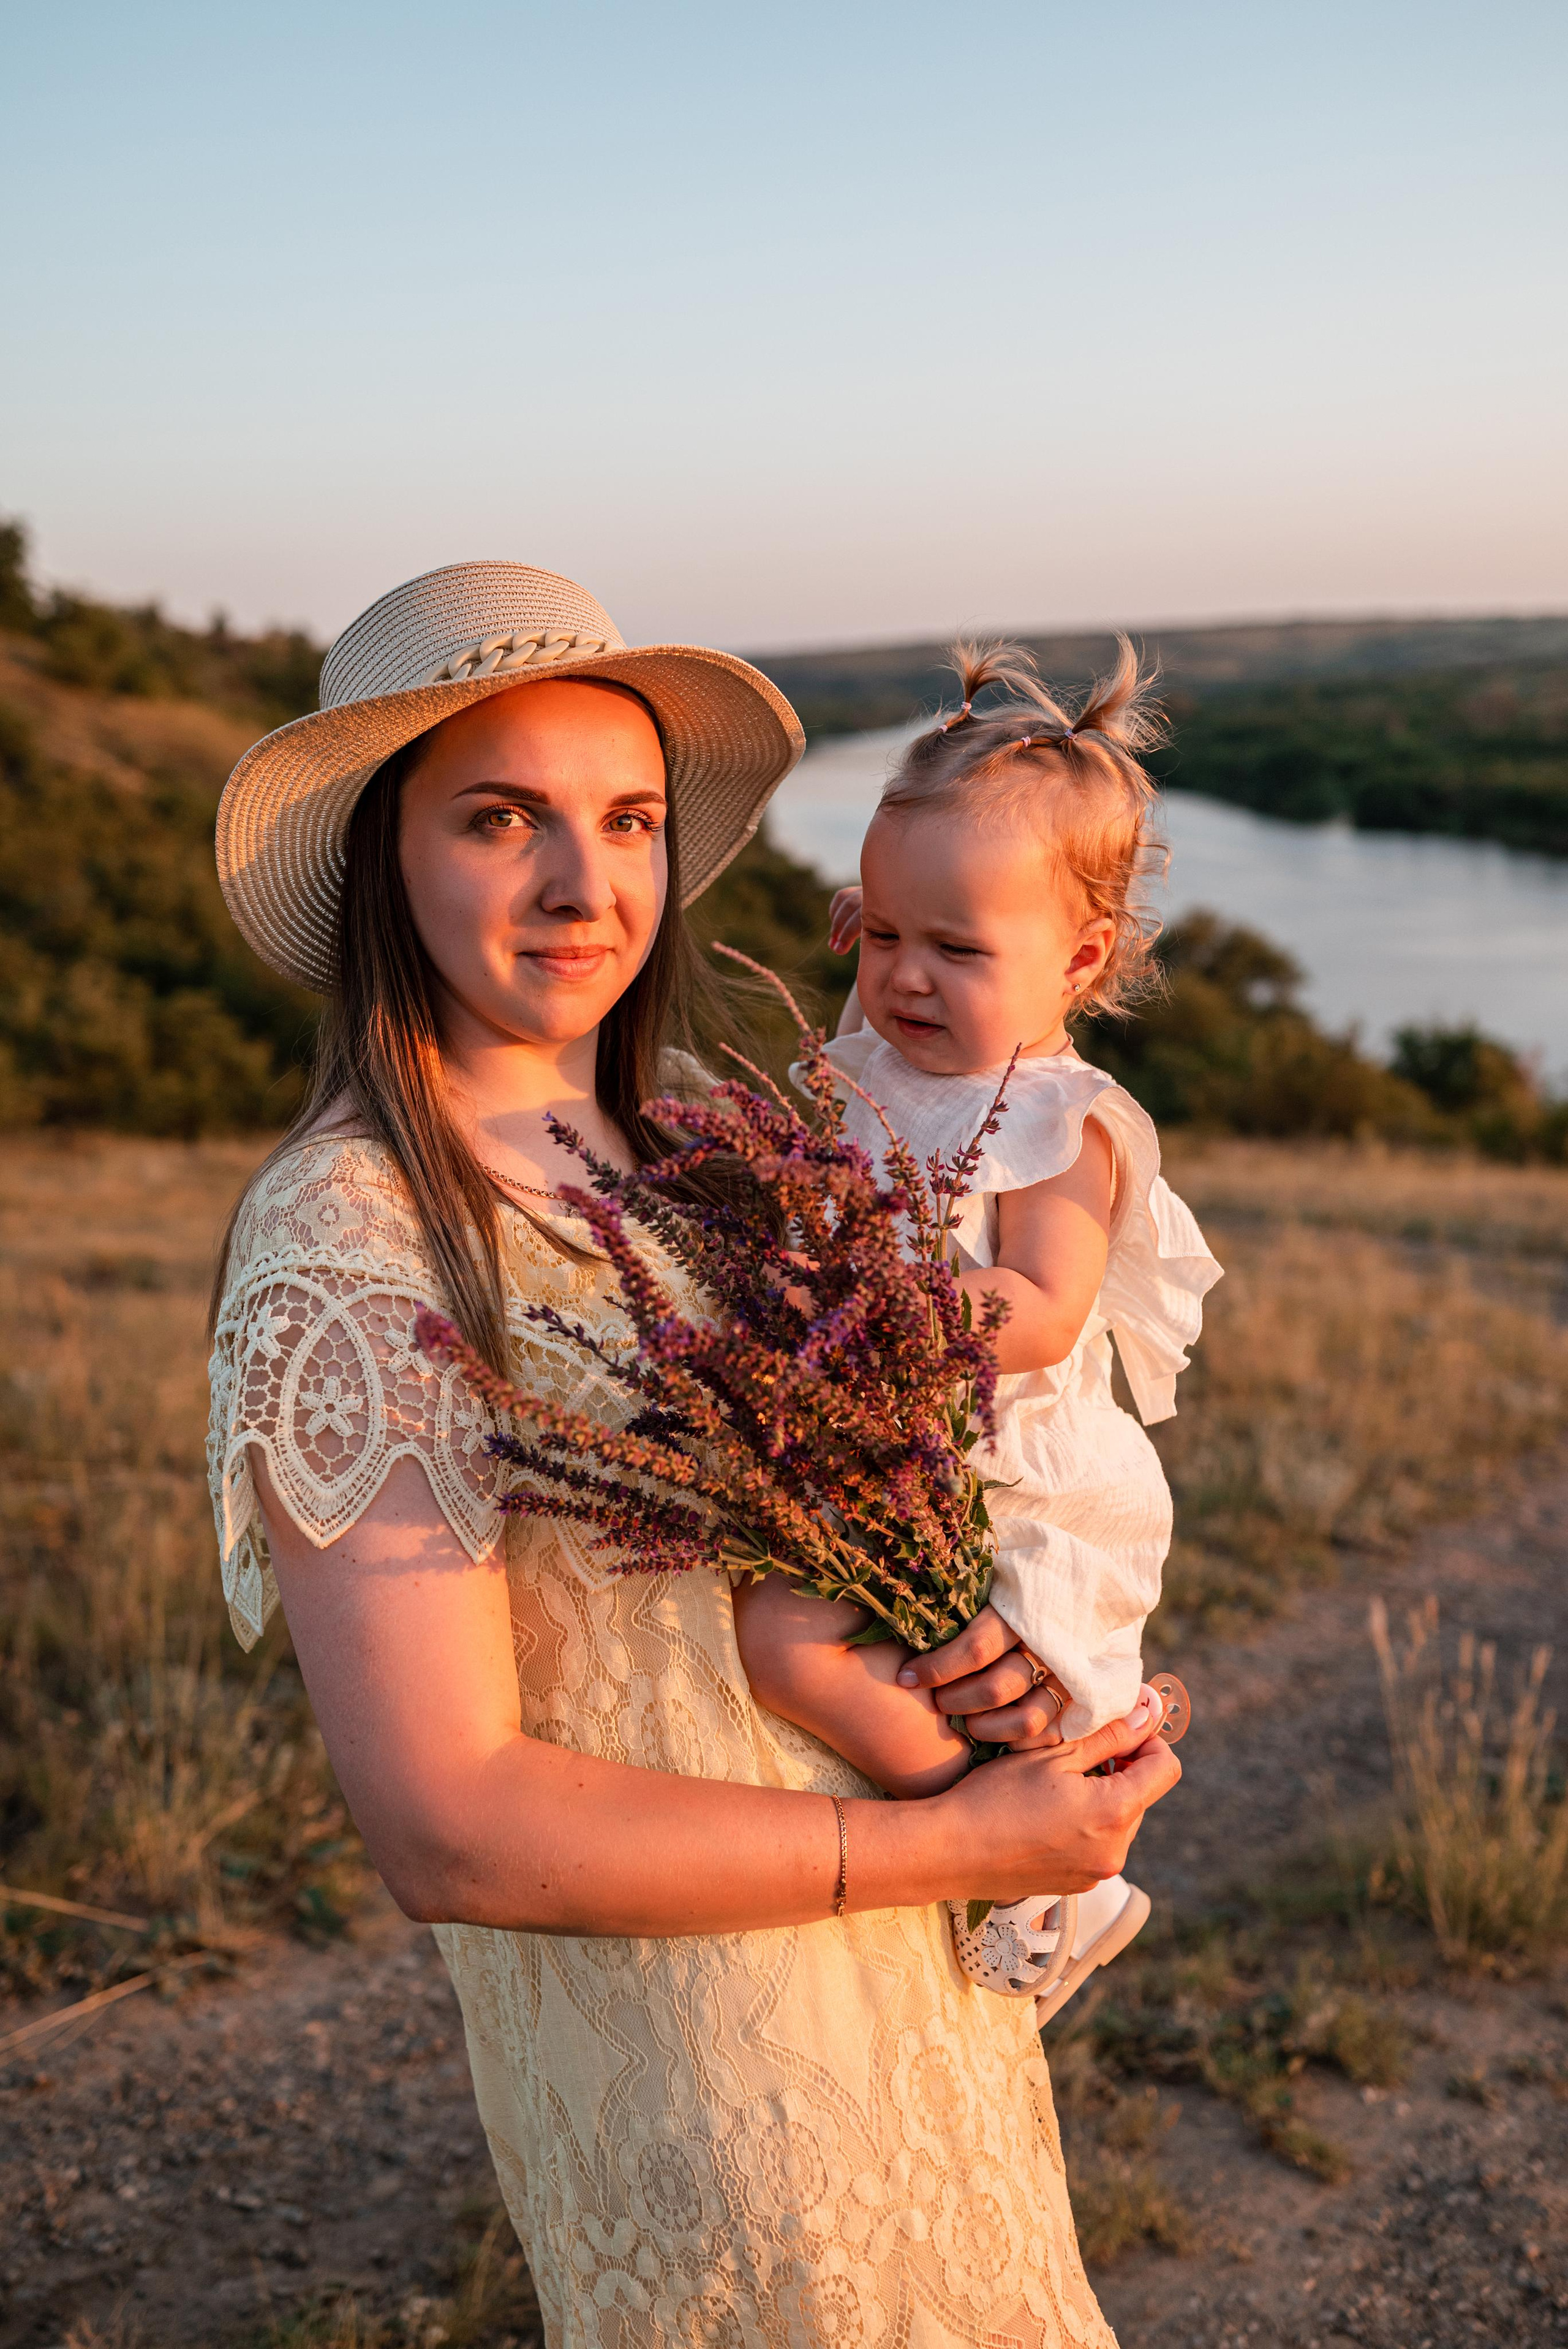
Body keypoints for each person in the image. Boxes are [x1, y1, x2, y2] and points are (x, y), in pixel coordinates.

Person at [206, 562, 1181, 2348]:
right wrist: (958, 1843)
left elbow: (799, 1574)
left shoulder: (683, 1167)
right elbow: (453, 1823)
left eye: (629, 817)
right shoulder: (353, 1244)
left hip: (913, 2006)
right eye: (503, 819)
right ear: (380, 858)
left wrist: (1003, 1676)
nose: (588, 884)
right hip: (715, 2093)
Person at [733, 638, 1219, 2020]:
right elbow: (846, 1076)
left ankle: (1039, 1872)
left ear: (1076, 959)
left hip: (1012, 1470)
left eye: (955, 948)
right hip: (888, 1449)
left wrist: (856, 1311)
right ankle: (991, 1838)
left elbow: (1039, 1311)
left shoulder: (1062, 1124)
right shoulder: (874, 1065)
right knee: (860, 1660)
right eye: (880, 934)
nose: (905, 980)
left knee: (984, 1681)